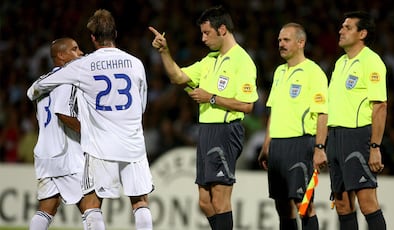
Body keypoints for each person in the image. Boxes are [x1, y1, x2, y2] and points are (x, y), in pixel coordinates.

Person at [27, 9, 154, 230]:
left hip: (100, 146)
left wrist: (34, 89)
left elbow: (43, 84)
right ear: (115, 33)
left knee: (91, 204)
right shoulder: (136, 63)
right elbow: (141, 104)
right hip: (132, 143)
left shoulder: (83, 65)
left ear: (93, 38)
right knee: (141, 202)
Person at [149, 5, 258, 230]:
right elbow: (178, 77)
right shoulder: (210, 60)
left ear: (223, 30)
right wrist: (164, 52)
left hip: (226, 131)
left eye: (207, 33)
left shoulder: (242, 61)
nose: (202, 38)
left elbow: (247, 105)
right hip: (207, 131)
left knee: (219, 199)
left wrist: (211, 98)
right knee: (205, 201)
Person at [257, 23, 328, 230]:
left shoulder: (313, 72)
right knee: (282, 206)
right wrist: (266, 145)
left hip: (301, 144)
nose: (281, 44)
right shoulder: (279, 72)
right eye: (279, 40)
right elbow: (274, 111)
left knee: (304, 204)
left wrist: (319, 148)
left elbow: (323, 113)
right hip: (277, 146)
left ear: (301, 42)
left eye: (286, 40)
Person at [327, 11, 387, 230]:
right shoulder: (340, 63)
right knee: (342, 204)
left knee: (367, 202)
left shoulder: (371, 62)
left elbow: (380, 106)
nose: (341, 31)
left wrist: (374, 146)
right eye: (342, 26)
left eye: (348, 27)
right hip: (335, 137)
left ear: (362, 33)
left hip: (357, 136)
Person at [29, 37, 86, 229]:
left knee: (47, 208)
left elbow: (31, 92)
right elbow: (63, 114)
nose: (81, 53)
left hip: (44, 154)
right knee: (91, 205)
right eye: (75, 49)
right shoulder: (68, 80)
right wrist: (91, 133)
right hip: (66, 154)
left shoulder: (42, 81)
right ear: (61, 55)